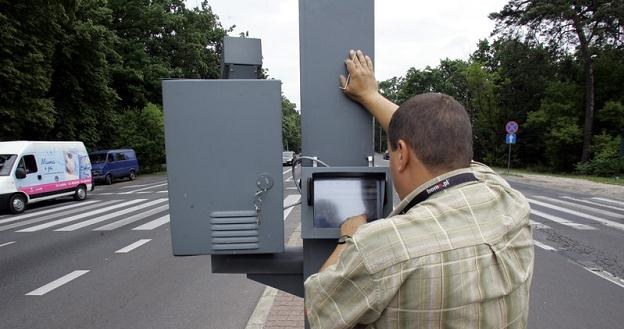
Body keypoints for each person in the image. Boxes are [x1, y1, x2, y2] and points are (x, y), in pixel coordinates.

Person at [304, 50, 534, 329]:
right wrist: (371, 96)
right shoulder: (508, 199)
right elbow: (437, 141)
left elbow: (319, 309)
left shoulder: (380, 246)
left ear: (401, 154)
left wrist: (348, 238)